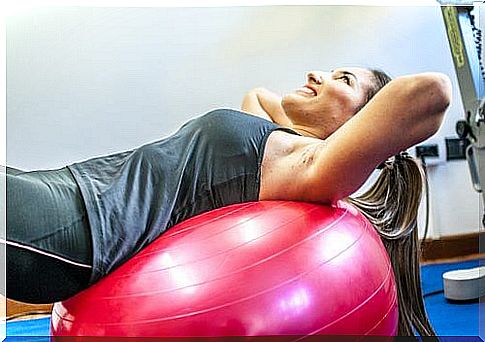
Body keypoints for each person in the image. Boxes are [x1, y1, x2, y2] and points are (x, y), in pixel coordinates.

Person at [3, 67, 451, 336]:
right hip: (66, 190)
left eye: (343, 79)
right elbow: (257, 95)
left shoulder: (307, 167)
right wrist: (318, 115)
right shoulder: (278, 141)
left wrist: (353, 143)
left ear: (362, 120)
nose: (317, 74)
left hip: (80, 229)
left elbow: (431, 92)